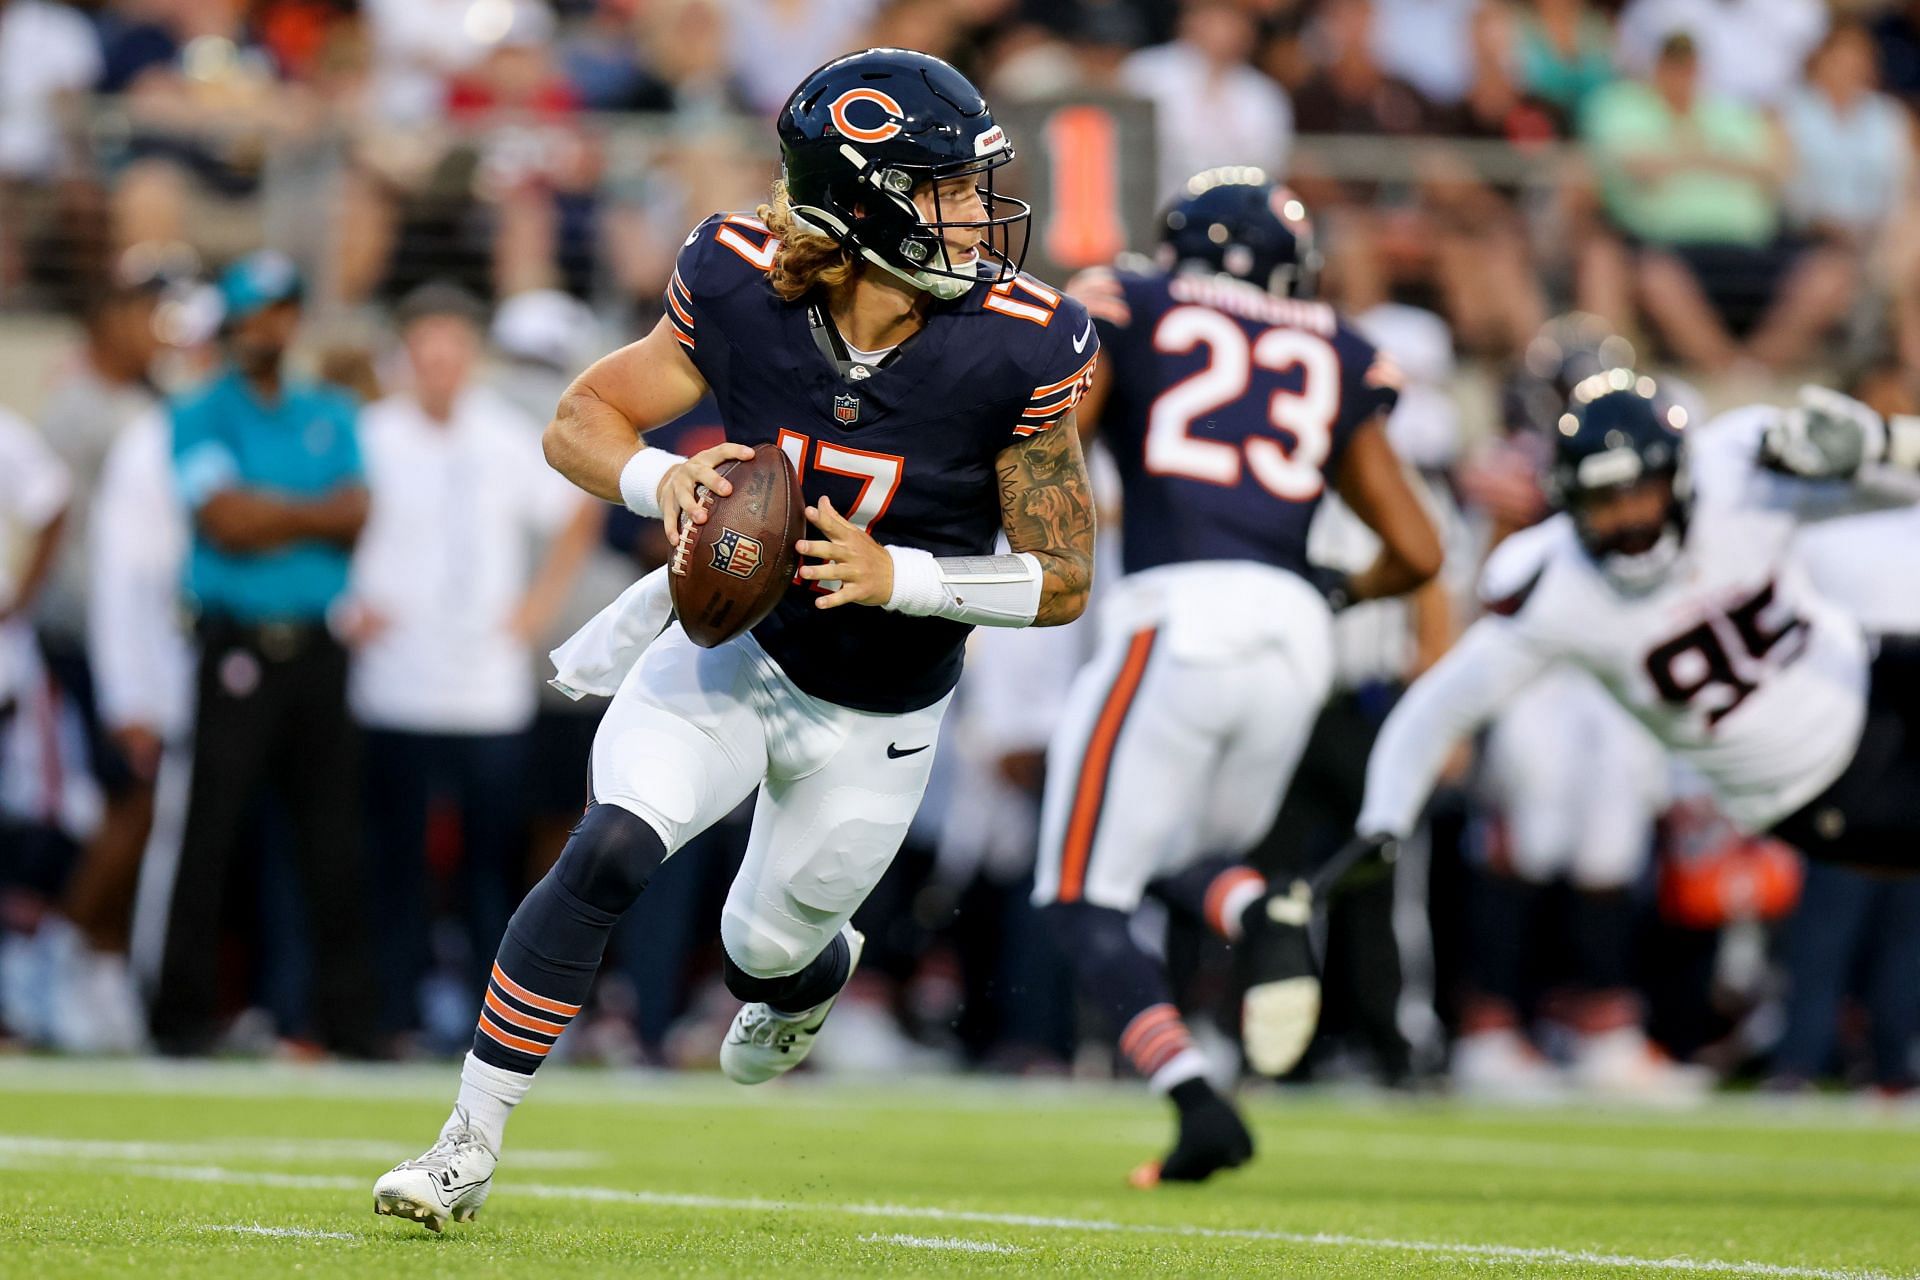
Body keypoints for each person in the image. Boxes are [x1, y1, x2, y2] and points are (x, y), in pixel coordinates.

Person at [373, 49, 1100, 1230]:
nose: (977, 215)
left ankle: (803, 977)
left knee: (762, 949)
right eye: (946, 189)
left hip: (881, 711)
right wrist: (661, 475)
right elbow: (579, 420)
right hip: (736, 648)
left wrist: (900, 575)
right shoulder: (740, 279)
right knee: (609, 846)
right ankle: (464, 1140)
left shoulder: (1020, 343)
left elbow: (1064, 575)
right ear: (865, 202)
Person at [1032, 172, 1440, 1185]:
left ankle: (1195, 1100)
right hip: (1294, 638)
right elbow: (1420, 549)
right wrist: (1330, 592)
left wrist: (1014, 544)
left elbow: (1048, 443)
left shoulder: (1137, 299)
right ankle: (1258, 909)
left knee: (1077, 895)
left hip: (1175, 615)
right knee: (1184, 856)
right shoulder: (1336, 345)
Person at [1339, 374, 1920, 949]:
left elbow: (1903, 495)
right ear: (1568, 506)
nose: (1631, 520)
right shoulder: (1557, 593)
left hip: (1873, 672)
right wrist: (1382, 822)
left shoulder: (1736, 469)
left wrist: (1881, 446)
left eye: (1642, 492)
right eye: (1605, 503)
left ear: (1680, 474)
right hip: (1816, 785)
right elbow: (1436, 710)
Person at [347, 282, 597, 1048]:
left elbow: (578, 508)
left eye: (452, 352)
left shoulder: (504, 436)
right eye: (427, 353)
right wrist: (347, 603)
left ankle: (499, 1023)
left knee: (493, 867)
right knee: (397, 864)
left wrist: (535, 609)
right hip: (395, 682)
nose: (440, 368)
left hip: (486, 689)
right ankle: (394, 1012)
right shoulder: (369, 434)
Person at [148, 250, 377, 1057]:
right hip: (235, 644)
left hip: (316, 646)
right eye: (256, 311)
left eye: (281, 309)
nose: (269, 325)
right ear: (235, 322)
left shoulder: (331, 409)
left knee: (333, 840)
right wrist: (307, 514)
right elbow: (224, 522)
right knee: (211, 832)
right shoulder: (200, 411)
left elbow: (354, 515)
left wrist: (274, 513)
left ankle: (347, 1023)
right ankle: (178, 1018)